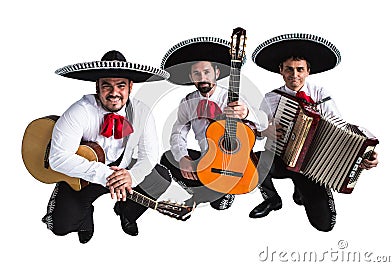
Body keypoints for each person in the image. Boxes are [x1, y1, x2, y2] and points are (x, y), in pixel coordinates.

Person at [41, 50, 191, 243]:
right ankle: (85, 218)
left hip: (123, 170)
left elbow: (150, 156)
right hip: (83, 176)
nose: (114, 93)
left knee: (160, 178)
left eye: (121, 85)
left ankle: (126, 212)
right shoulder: (80, 111)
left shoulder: (141, 111)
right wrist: (105, 175)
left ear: (130, 87)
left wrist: (131, 176)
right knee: (61, 226)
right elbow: (57, 157)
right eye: (106, 86)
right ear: (97, 86)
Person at [249, 33, 379, 231]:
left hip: (311, 167)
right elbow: (256, 130)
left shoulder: (321, 95)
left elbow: (341, 128)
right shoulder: (270, 98)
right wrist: (266, 130)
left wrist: (364, 153)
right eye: (289, 70)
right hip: (281, 159)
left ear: (308, 71)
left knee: (324, 225)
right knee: (252, 160)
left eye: (300, 69)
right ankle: (272, 199)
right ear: (281, 71)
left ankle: (301, 190)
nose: (295, 75)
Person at [159, 37, 267, 209]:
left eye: (207, 72)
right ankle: (208, 191)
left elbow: (261, 131)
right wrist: (183, 158)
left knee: (220, 205)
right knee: (167, 158)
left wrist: (246, 113)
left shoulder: (233, 98)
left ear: (216, 73)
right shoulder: (188, 102)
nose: (202, 78)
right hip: (206, 161)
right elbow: (178, 133)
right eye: (197, 73)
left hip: (234, 162)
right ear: (190, 76)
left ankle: (207, 194)